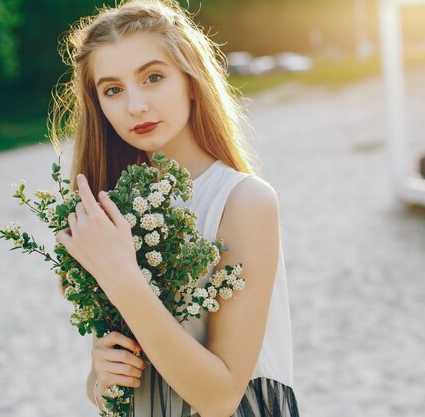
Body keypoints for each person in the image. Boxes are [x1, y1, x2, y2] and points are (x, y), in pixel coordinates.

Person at [50, 0, 299, 415]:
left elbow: (220, 398)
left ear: (190, 79)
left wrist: (121, 277)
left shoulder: (243, 201)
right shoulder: (109, 210)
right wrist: (102, 379)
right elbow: (107, 388)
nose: (135, 105)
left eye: (152, 77)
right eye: (113, 89)